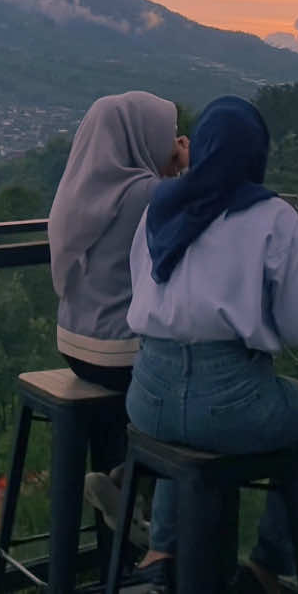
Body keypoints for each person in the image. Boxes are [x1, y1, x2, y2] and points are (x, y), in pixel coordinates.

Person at [125, 95, 298, 594]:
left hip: (148, 396)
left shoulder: (160, 207)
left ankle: (157, 560)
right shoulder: (272, 217)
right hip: (229, 401)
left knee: (183, 434)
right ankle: (264, 569)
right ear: (257, 152)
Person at [48, 91, 188, 568]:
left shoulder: (81, 186)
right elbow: (205, 202)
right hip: (120, 356)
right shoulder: (148, 193)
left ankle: (125, 482)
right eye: (168, 134)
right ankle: (135, 491)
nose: (172, 143)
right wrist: (185, 166)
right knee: (193, 395)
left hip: (72, 344)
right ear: (141, 137)